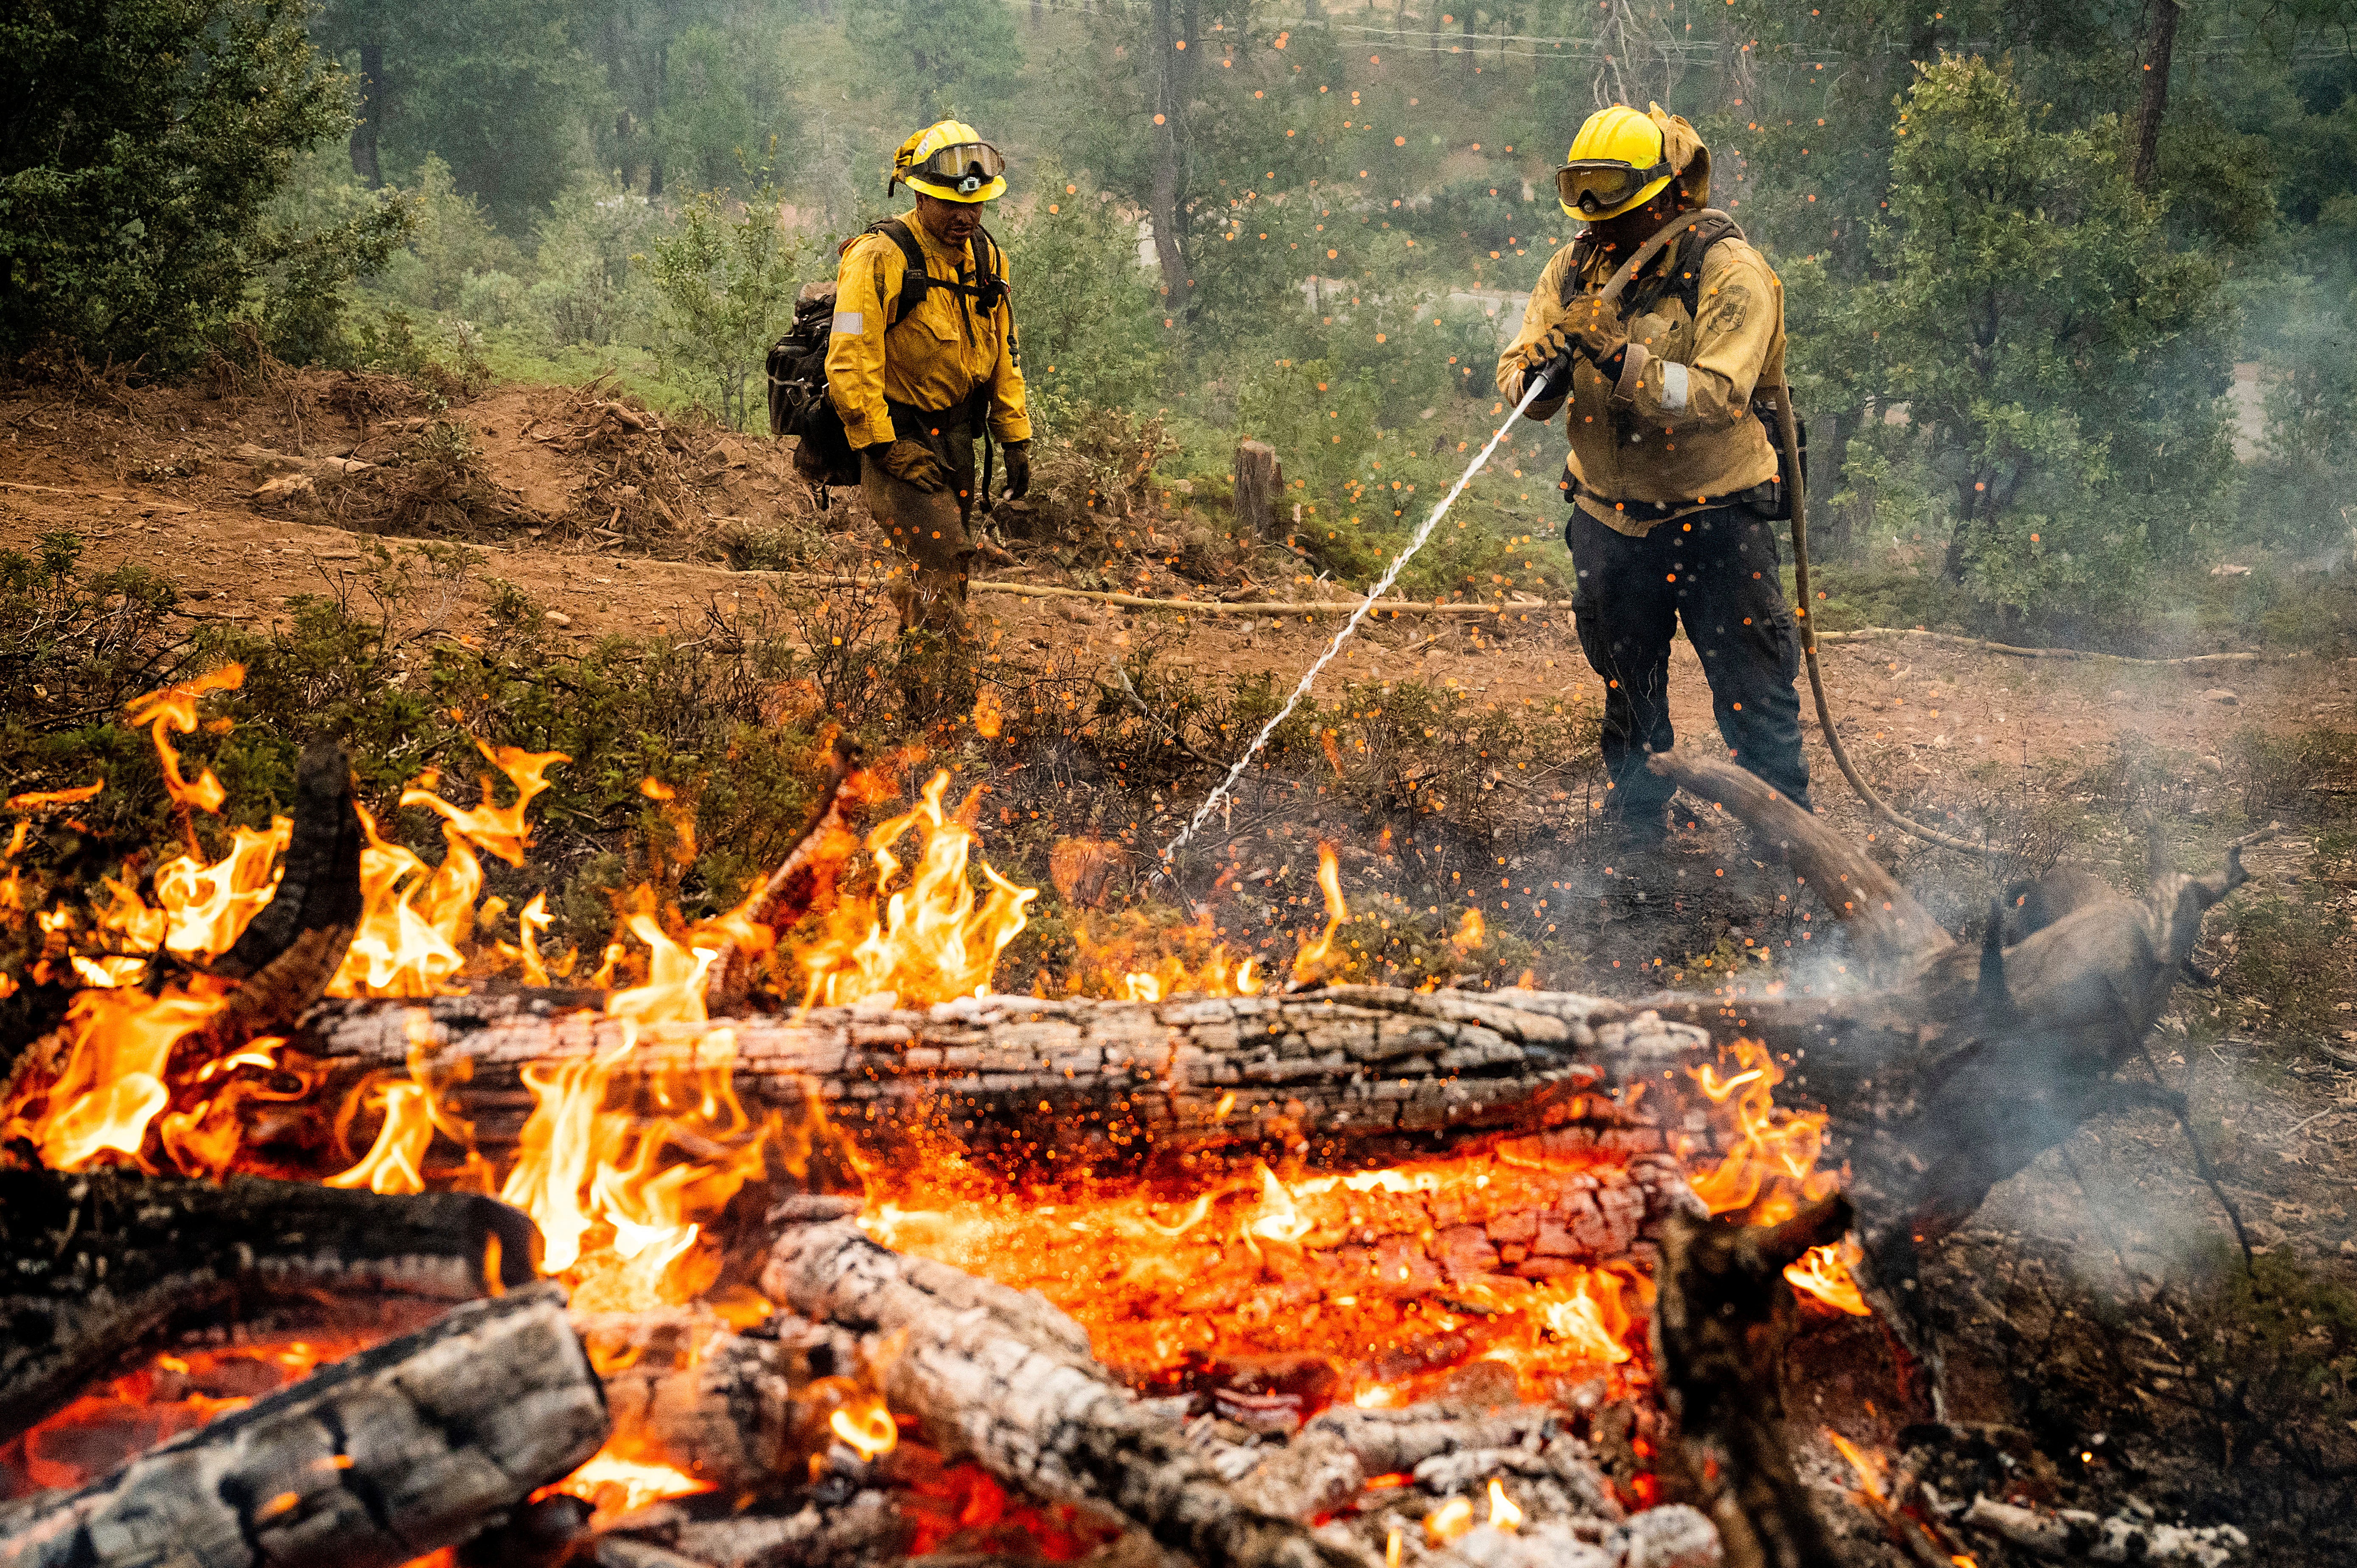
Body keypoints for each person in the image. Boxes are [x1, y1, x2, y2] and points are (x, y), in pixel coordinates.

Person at [1497, 101, 1811, 850]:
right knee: (1629, 695)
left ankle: (1789, 854)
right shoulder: (1574, 269)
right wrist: (1541, 375)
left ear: (1669, 196)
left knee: (1755, 702)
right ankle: (1637, 840)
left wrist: (1620, 361)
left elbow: (1717, 395)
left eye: (1620, 210)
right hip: (1609, 523)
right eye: (1590, 210)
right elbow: (1515, 375)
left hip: (1716, 524)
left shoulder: (1731, 274)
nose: (1602, 230)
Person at [827, 120, 1031, 641]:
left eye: (975, 204)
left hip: (958, 434)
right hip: (898, 432)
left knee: (950, 566)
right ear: (919, 196)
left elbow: (1003, 352)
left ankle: (921, 671)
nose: (966, 216)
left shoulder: (988, 258)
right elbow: (849, 358)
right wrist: (882, 446)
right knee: (940, 554)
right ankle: (943, 672)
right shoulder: (877, 257)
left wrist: (1015, 437)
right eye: (950, 204)